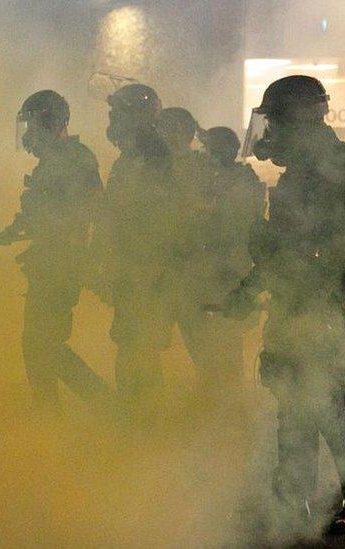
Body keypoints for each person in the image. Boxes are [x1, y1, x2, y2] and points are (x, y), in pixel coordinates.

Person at [219, 76, 345, 535]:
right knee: (298, 411)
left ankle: (302, 512)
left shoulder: (332, 172)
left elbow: (309, 253)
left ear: (297, 119)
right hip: (302, 317)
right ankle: (293, 510)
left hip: (325, 321)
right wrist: (248, 291)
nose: (270, 134)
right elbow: (281, 252)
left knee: (330, 413)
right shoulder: (306, 175)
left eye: (275, 122)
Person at [0, 89, 110, 408]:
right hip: (51, 262)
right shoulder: (56, 161)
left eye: (33, 125)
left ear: (52, 122)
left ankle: (106, 408)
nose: (29, 134)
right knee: (39, 347)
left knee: (43, 347)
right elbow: (44, 209)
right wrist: (19, 228)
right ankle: (54, 416)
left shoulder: (75, 159)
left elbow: (86, 211)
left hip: (62, 263)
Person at [156, 110, 264, 388]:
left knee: (222, 353)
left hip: (223, 279)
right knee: (211, 353)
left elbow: (227, 225)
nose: (205, 155)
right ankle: (219, 405)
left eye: (209, 150)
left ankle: (226, 410)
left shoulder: (237, 182)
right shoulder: (228, 179)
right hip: (211, 278)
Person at [92, 83, 180, 401]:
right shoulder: (133, 157)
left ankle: (142, 428)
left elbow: (153, 223)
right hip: (134, 272)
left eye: (120, 114)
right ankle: (139, 420)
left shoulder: (153, 157)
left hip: (146, 274)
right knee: (133, 348)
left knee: (139, 350)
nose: (114, 121)